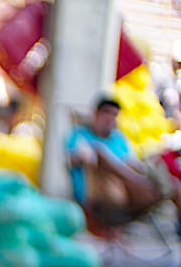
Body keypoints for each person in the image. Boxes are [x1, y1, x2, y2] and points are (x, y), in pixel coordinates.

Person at [64, 95, 181, 238]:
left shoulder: (118, 138)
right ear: (95, 114)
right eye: (106, 113)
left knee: (173, 183)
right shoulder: (79, 134)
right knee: (98, 151)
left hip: (129, 194)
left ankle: (152, 188)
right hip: (99, 197)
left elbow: (132, 163)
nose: (110, 118)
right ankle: (146, 184)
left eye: (114, 115)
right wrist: (85, 156)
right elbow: (71, 160)